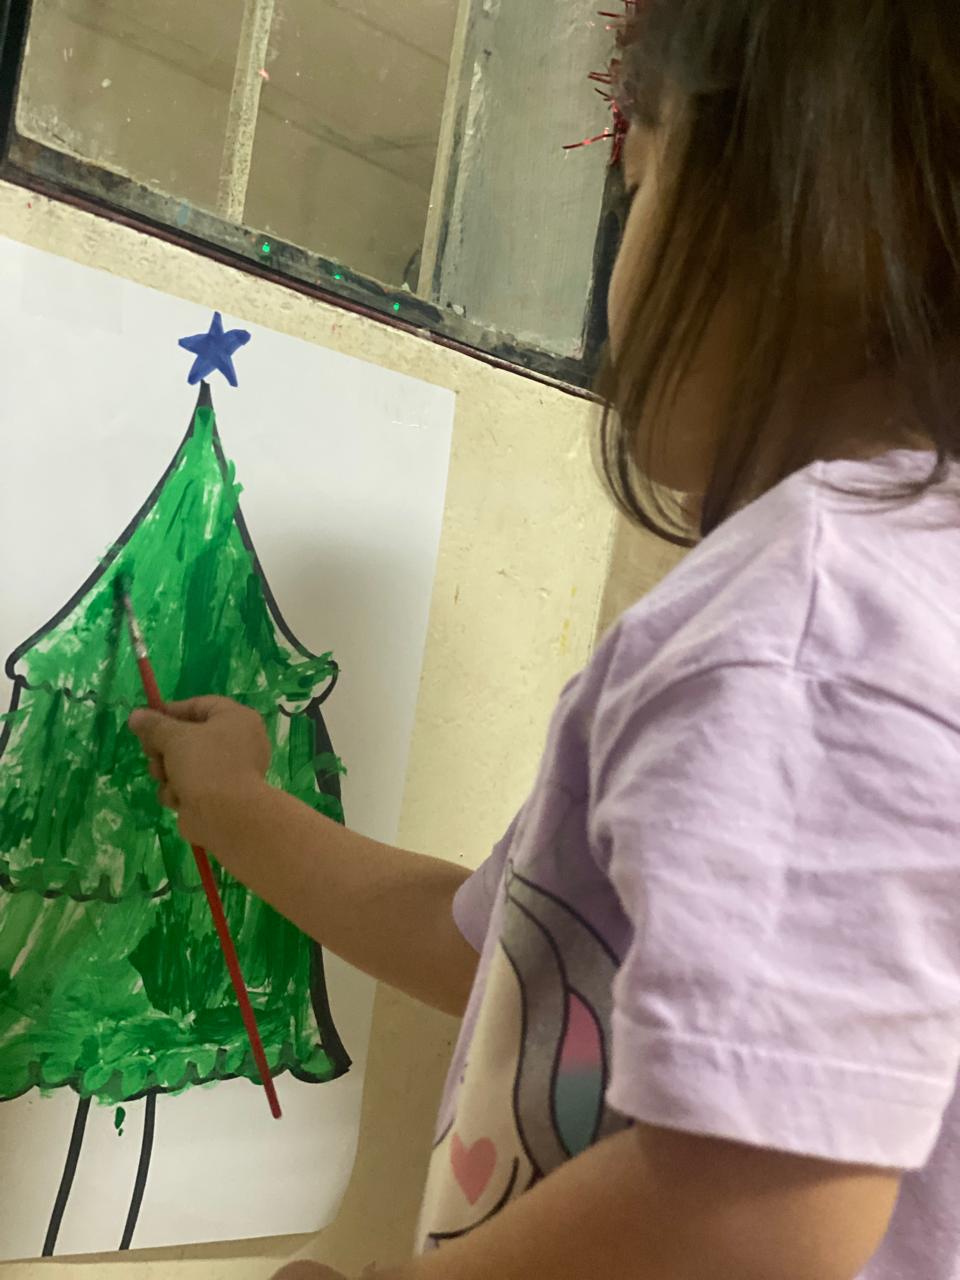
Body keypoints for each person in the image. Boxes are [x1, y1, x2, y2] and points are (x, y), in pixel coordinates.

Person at [130, 2, 960, 1277]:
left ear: (790, 203)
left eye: (639, 177)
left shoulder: (806, 629)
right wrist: (242, 811)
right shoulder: (887, 598)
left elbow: (763, 1205)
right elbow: (502, 947)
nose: (617, 269)